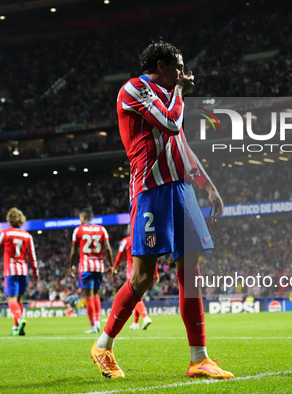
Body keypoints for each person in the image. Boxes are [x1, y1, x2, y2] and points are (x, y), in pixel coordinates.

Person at [90, 40, 233, 379]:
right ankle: (103, 346)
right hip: (150, 190)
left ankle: (199, 359)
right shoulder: (135, 89)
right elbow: (170, 123)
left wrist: (209, 187)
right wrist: (181, 92)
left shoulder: (170, 97)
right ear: (160, 65)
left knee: (190, 274)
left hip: (181, 190)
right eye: (178, 67)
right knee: (143, 278)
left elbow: (179, 142)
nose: (183, 73)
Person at [0, 207, 39, 335]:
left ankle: (19, 320)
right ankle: (16, 328)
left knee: (11, 300)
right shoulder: (27, 235)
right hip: (23, 271)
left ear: (9, 220)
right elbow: (32, 256)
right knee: (19, 300)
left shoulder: (5, 233)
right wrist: (36, 272)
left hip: (11, 270)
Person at [70, 207, 113, 334]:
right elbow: (108, 248)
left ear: (83, 218)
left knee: (88, 295)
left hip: (86, 266)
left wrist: (71, 265)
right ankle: (98, 322)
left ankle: (93, 326)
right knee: (95, 294)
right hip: (99, 266)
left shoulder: (78, 230)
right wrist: (111, 265)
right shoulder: (102, 229)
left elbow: (74, 251)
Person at [113, 230, 159, 330]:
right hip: (146, 271)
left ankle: (145, 317)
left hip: (132, 271)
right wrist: (156, 273)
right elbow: (154, 255)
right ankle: (135, 323)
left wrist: (115, 267)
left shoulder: (126, 241)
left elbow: (119, 255)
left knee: (135, 295)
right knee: (138, 296)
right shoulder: (145, 239)